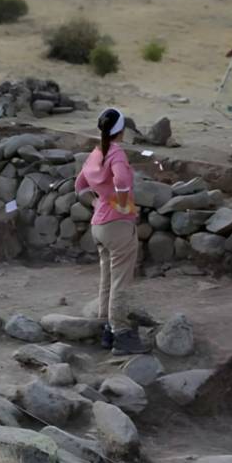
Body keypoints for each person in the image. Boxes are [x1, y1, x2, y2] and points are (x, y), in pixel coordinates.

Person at [74, 107, 147, 356]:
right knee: (120, 282)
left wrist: (97, 202)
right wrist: (123, 205)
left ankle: (106, 326)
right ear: (121, 130)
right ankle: (122, 334)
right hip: (117, 226)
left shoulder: (95, 153)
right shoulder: (116, 154)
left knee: (107, 279)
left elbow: (80, 186)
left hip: (99, 225)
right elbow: (122, 182)